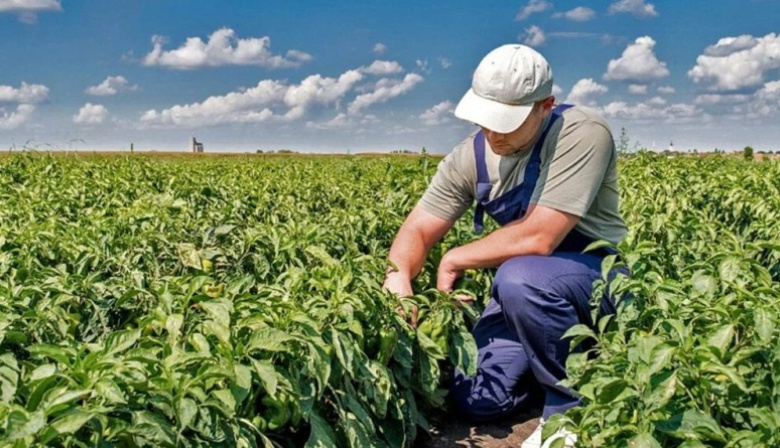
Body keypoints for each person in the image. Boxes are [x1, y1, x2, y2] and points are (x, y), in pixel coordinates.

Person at [383, 44, 628, 448]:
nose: (494, 133)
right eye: (486, 119)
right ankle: (570, 361)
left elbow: (539, 236)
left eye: (507, 122)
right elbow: (417, 231)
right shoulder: (471, 158)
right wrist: (398, 281)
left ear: (544, 106)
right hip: (527, 294)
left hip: (596, 280)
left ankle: (573, 410)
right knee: (477, 398)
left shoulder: (582, 132)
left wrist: (455, 256)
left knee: (519, 277)